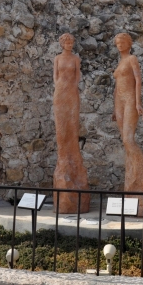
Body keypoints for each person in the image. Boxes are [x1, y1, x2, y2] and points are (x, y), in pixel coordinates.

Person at [113, 33, 143, 217]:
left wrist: (139, 102)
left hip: (131, 99)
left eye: (122, 42)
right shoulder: (119, 62)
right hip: (119, 102)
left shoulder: (132, 58)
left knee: (128, 139)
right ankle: (133, 177)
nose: (119, 44)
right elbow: (117, 86)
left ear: (129, 44)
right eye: (117, 42)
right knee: (125, 142)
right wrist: (114, 108)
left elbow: (138, 80)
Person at [53, 33, 90, 213]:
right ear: (61, 43)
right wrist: (61, 89)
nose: (69, 44)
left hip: (72, 94)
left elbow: (77, 77)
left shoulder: (76, 58)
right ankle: (63, 161)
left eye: (71, 41)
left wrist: (71, 90)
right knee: (61, 130)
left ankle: (73, 161)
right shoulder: (57, 59)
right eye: (66, 41)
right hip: (60, 93)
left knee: (72, 127)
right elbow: (55, 77)